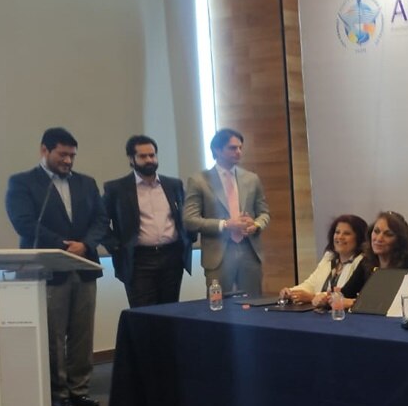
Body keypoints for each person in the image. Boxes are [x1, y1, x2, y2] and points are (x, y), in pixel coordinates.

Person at [5, 128, 107, 406]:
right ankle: (57, 391)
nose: (68, 161)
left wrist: (85, 244)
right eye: (62, 155)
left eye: (72, 155)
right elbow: (24, 223)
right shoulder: (23, 182)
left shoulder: (87, 183)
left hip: (84, 267)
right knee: (52, 334)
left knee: (82, 333)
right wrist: (63, 245)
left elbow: (101, 218)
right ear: (44, 150)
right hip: (47, 270)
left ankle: (79, 388)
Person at [103, 135, 193, 307]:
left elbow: (186, 214)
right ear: (131, 159)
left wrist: (189, 238)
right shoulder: (117, 188)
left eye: (152, 155)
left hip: (171, 257)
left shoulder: (173, 184)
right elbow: (101, 221)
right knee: (144, 316)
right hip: (139, 260)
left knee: (171, 312)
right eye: (143, 156)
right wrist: (116, 246)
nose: (149, 160)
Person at [183, 128, 270, 296]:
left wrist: (256, 225)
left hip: (249, 251)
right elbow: (190, 219)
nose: (238, 152)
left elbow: (264, 213)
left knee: (253, 306)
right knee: (219, 307)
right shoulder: (199, 180)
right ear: (217, 150)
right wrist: (225, 224)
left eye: (240, 148)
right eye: (232, 148)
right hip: (218, 254)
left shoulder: (252, 179)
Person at [282, 215, 371, 308]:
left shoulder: (362, 262)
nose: (340, 237)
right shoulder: (329, 257)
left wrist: (312, 297)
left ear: (359, 238)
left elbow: (344, 294)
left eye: (347, 233)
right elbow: (311, 284)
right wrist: (290, 292)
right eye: (337, 232)